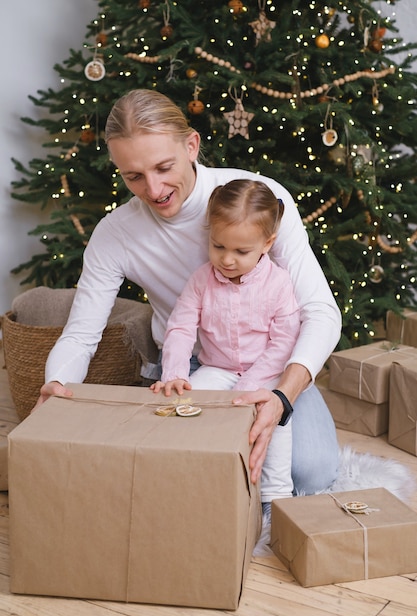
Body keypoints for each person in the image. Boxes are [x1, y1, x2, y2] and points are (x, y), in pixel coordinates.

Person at [37, 88, 341, 493]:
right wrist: (57, 382)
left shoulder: (259, 199)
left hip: (272, 363)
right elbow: (81, 335)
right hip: (193, 367)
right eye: (133, 176)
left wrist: (282, 394)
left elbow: (321, 312)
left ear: (192, 145)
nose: (154, 188)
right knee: (181, 468)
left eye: (164, 167)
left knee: (311, 473)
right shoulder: (115, 234)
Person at [151, 178, 301, 504]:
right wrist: (174, 373)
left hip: (266, 373)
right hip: (216, 368)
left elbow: (284, 341)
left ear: (266, 244)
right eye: (218, 246)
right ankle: (196, 479)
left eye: (241, 251)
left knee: (273, 419)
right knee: (187, 406)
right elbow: (180, 327)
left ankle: (275, 497)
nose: (227, 260)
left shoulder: (279, 283)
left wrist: (251, 385)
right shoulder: (202, 280)